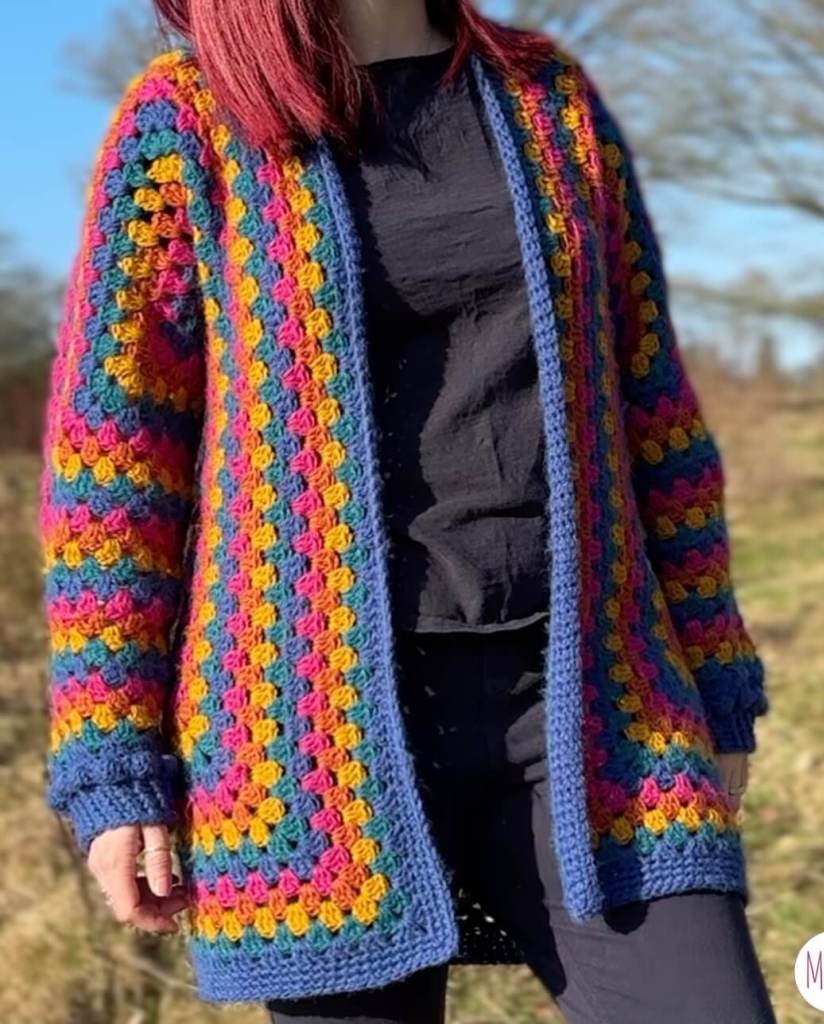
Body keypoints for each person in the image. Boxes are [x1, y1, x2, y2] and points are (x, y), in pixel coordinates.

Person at [38, 1, 776, 1021]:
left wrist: (717, 676)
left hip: (592, 704)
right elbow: (114, 468)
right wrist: (112, 760)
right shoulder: (187, 122)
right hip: (302, 745)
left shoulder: (547, 101)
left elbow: (654, 411)